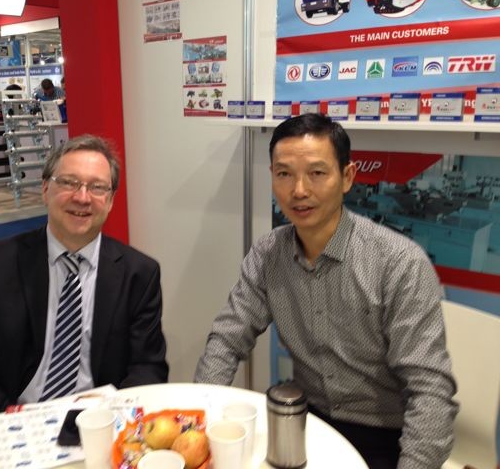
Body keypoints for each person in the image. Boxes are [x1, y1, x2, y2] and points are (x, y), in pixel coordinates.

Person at [194, 113, 458, 469]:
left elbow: (430, 392)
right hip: (309, 423)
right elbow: (227, 340)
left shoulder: (399, 263)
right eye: (284, 174)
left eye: (317, 173)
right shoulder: (269, 254)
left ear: (347, 177)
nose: (299, 190)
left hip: (388, 436)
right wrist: (200, 422)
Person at [0, 135, 169, 468]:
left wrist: (107, 420)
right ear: (46, 188)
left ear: (110, 201)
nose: (82, 197)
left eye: (97, 187)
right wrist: (21, 424)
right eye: (69, 182)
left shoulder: (139, 273)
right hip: (11, 423)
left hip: (101, 428)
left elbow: (149, 367)